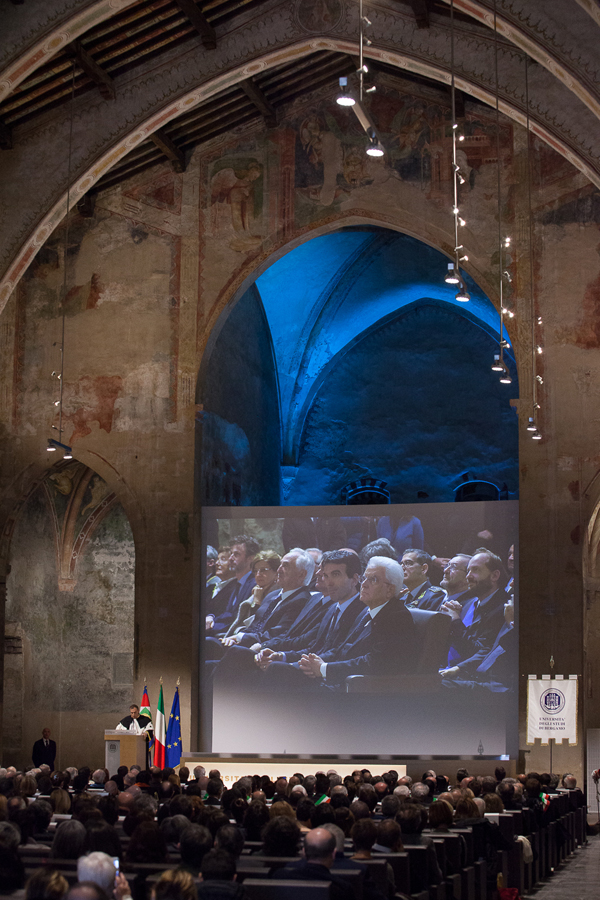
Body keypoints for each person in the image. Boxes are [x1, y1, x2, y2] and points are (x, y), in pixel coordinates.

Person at [206, 535, 259, 634]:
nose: (230, 558)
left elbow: (236, 617)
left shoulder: (254, 584)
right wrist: (211, 618)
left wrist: (212, 625)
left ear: (250, 559)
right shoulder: (235, 583)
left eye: (236, 554)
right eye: (231, 554)